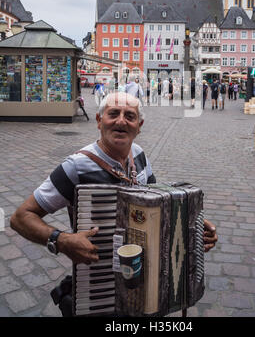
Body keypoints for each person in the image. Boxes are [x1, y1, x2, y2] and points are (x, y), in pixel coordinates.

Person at [10, 92, 218, 316]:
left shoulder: (139, 156)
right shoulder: (76, 167)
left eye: (130, 116)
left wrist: (191, 225)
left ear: (139, 125)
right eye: (113, 114)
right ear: (99, 122)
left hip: (142, 279)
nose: (121, 121)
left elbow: (159, 207)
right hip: (99, 286)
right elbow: (21, 217)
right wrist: (61, 241)